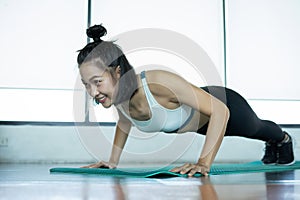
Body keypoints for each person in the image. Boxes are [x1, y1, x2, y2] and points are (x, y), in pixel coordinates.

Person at [77, 24, 295, 177]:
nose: (93, 92)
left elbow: (220, 111)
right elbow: (124, 122)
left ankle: (283, 139)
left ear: (116, 72)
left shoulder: (156, 83)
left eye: (97, 82)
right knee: (256, 130)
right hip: (203, 125)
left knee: (257, 129)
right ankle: (274, 143)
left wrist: (203, 163)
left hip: (225, 105)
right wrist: (112, 162)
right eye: (87, 84)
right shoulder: (120, 99)